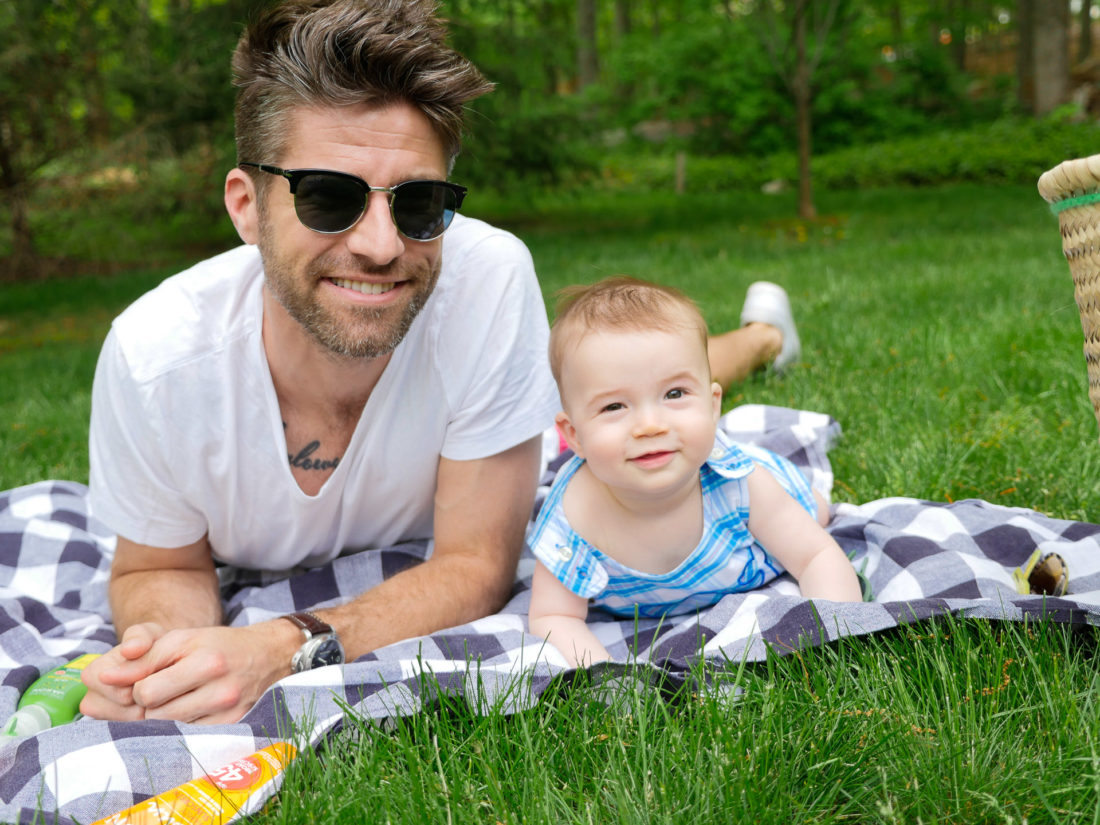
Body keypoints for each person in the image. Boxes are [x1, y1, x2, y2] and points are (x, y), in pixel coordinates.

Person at [79, 0, 801, 725]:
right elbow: (160, 564)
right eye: (329, 198)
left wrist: (286, 645)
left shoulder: (484, 281)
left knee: (643, 385)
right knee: (627, 387)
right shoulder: (155, 360)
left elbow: (477, 565)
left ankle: (763, 336)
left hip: (525, 408)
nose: (382, 245)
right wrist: (163, 658)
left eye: (419, 202)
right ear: (245, 206)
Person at [527, 277, 860, 668]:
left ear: (712, 405)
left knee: (816, 514)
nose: (650, 425)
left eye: (674, 394)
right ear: (574, 435)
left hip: (747, 548)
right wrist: (609, 680)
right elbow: (554, 616)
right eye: (615, 406)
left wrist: (832, 638)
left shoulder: (740, 483)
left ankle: (804, 484)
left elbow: (815, 555)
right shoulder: (571, 520)